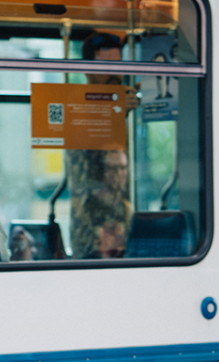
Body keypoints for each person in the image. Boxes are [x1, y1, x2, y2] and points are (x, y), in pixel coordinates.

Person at [67, 32, 139, 259]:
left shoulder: (115, 108)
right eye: (106, 65)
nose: (114, 73)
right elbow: (90, 162)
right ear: (87, 70)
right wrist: (116, 114)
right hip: (92, 231)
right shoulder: (78, 105)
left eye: (118, 65)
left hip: (119, 228)